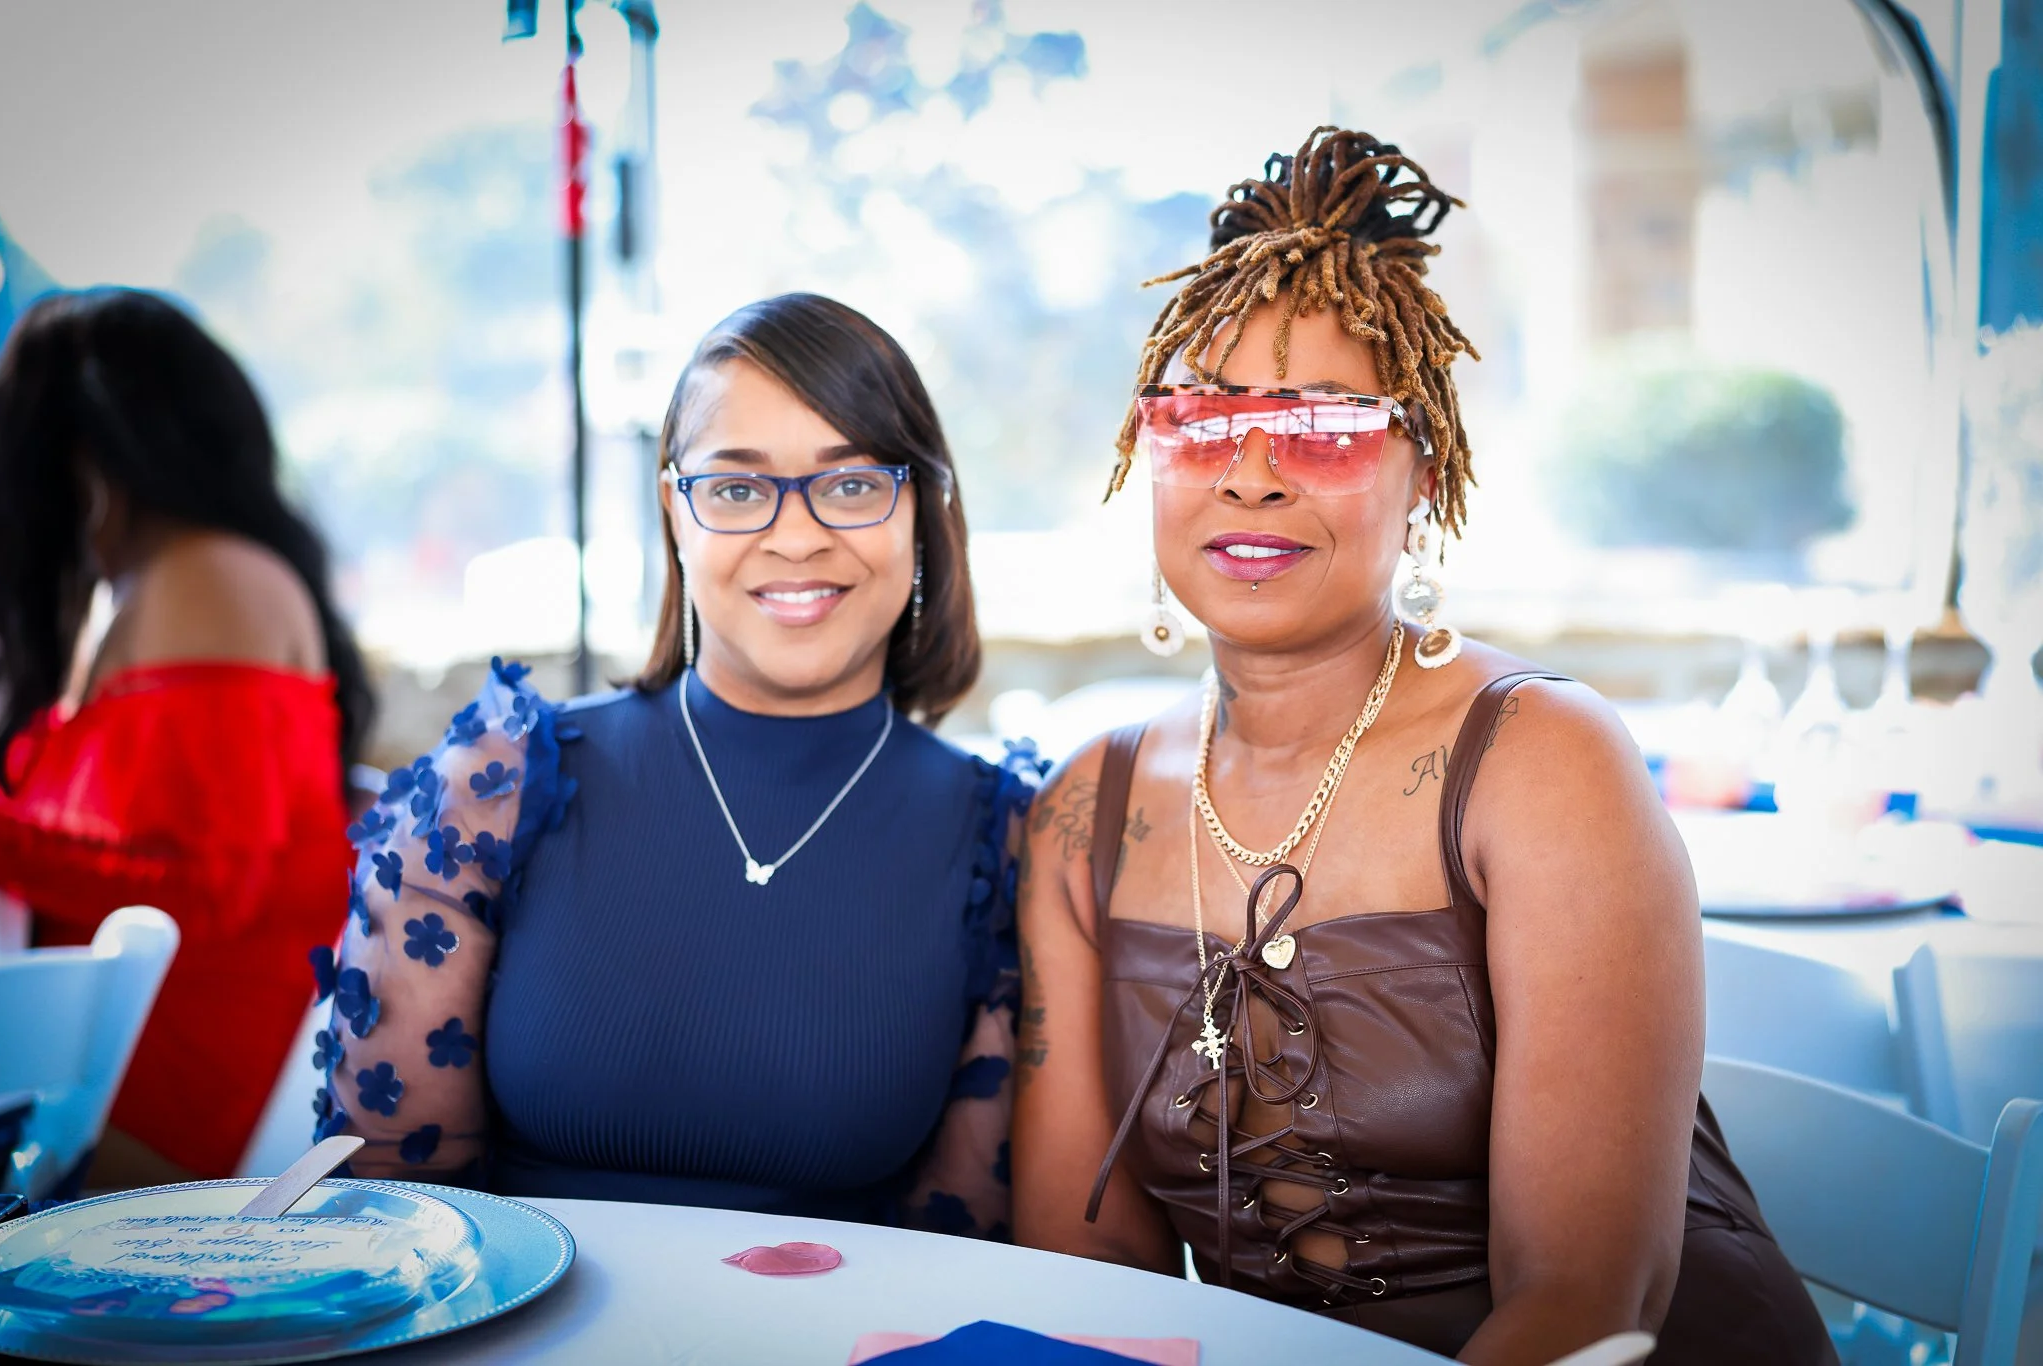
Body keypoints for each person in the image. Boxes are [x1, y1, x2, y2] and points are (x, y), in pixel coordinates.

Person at [1012, 129, 1835, 1364]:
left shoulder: (1541, 758)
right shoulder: (1085, 809)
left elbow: (1582, 1301)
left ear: (1424, 471)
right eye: (1202, 419)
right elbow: (1092, 1276)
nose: (1250, 475)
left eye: (1324, 427)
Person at [319, 293, 1033, 1234]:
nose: (796, 536)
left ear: (923, 509)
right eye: (736, 489)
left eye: (853, 483)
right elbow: (384, 1220)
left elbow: (967, 1250)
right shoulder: (491, 792)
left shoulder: (1000, 844)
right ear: (675, 512)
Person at [0, 289, 372, 1185]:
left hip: (171, 1064)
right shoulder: (131, 588)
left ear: (78, 452)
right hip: (97, 1042)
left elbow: (208, 891)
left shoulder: (208, 576)